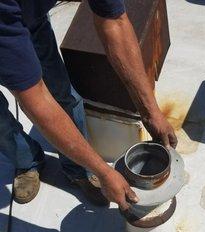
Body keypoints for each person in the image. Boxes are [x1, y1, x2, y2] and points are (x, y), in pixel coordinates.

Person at [0, 0, 177, 210]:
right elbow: (35, 96)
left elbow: (115, 23)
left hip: (28, 16)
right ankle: (27, 161)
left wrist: (151, 113)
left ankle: (78, 170)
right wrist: (103, 172)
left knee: (62, 93)